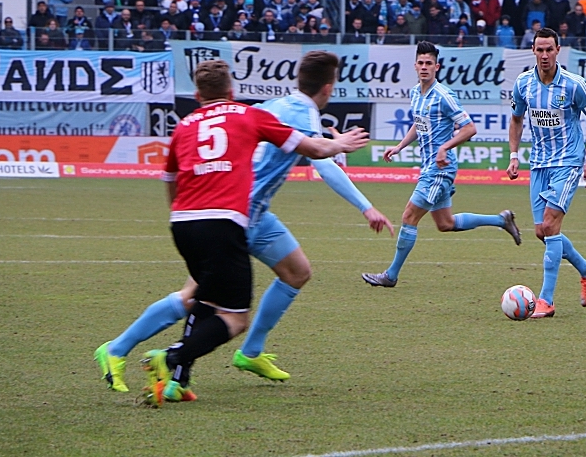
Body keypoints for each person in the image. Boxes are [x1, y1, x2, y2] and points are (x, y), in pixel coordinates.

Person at [96, 52, 394, 392]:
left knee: (296, 272)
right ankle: (129, 352)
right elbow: (320, 161)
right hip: (234, 213)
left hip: (250, 211)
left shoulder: (275, 104)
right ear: (328, 88)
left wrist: (330, 143)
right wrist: (366, 206)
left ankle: (250, 352)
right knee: (197, 298)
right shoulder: (301, 112)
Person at [362, 42, 522, 288]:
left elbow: (470, 128)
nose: (424, 67)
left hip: (440, 170)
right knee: (445, 224)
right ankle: (501, 220)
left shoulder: (444, 96)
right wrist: (399, 146)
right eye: (421, 63)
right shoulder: (416, 93)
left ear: (437, 67)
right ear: (415, 65)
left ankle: (390, 275)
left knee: (408, 216)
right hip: (429, 168)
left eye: (429, 64)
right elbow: (419, 123)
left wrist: (445, 147)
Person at [507, 28, 586, 318]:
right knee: (542, 231)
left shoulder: (574, 85)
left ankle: (545, 301)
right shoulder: (523, 84)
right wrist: (513, 154)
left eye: (550, 49)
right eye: (540, 50)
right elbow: (516, 119)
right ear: (533, 51)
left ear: (558, 50)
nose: (545, 55)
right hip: (539, 164)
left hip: (568, 162)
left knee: (550, 225)